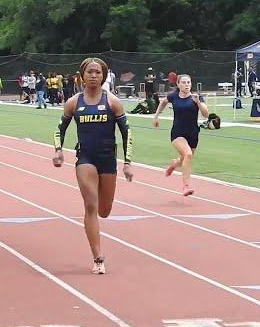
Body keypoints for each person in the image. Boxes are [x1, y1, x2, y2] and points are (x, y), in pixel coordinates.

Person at [52, 57, 133, 275]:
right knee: (90, 204)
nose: (94, 76)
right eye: (90, 72)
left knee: (104, 211)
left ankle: (99, 212)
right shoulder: (73, 102)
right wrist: (58, 150)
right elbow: (59, 129)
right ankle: (98, 257)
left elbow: (127, 133)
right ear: (82, 75)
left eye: (98, 72)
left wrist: (127, 163)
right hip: (85, 158)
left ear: (103, 76)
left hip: (108, 159)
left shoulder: (113, 102)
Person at [153, 74, 209, 196]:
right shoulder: (174, 96)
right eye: (183, 82)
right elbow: (163, 103)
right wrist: (156, 116)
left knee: (185, 158)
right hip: (178, 133)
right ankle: (186, 186)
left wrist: (198, 102)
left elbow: (206, 114)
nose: (186, 85)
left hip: (193, 133)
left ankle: (175, 163)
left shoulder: (196, 97)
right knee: (187, 154)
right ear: (178, 84)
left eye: (188, 82)